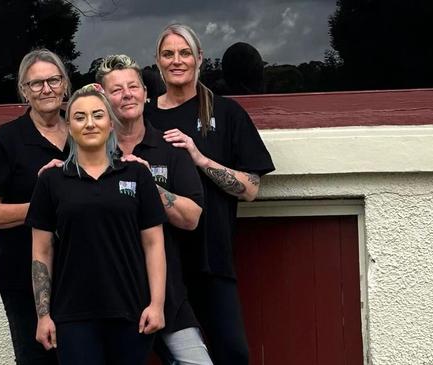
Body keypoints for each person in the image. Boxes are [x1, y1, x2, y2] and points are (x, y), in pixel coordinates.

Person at [144, 24, 275, 365]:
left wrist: (199, 158)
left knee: (231, 352)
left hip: (211, 257)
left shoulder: (226, 113)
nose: (177, 60)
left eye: (185, 53)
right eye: (168, 54)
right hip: (157, 262)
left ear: (199, 58)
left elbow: (250, 189)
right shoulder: (143, 117)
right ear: (157, 61)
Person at [26, 83, 167, 365]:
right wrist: (43, 316)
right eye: (80, 117)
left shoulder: (137, 174)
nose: (90, 123)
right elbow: (41, 251)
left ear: (111, 124)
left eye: (98, 115)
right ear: (69, 127)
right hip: (72, 315)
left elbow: (153, 244)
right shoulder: (51, 181)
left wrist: (157, 304)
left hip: (130, 310)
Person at [95, 54, 213, 364]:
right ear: (103, 97)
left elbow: (191, 218)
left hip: (167, 293)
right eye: (117, 89)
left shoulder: (169, 149)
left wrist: (149, 185)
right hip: (108, 294)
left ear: (146, 94)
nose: (128, 94)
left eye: (133, 86)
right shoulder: (88, 152)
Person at [0, 48, 71, 365]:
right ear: (24, 91)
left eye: (54, 80)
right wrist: (41, 210)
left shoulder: (83, 128)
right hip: (22, 273)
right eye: (36, 83)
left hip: (79, 270)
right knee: (36, 359)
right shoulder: (9, 138)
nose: (47, 89)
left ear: (65, 84)